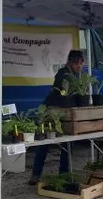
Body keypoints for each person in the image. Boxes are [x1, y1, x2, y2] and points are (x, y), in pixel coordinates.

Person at [29, 50, 86, 185]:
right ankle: (36, 174)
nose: (79, 66)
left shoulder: (78, 76)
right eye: (77, 64)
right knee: (45, 143)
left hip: (64, 114)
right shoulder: (62, 75)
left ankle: (63, 175)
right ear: (70, 63)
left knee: (67, 144)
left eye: (81, 64)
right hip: (51, 111)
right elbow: (63, 94)